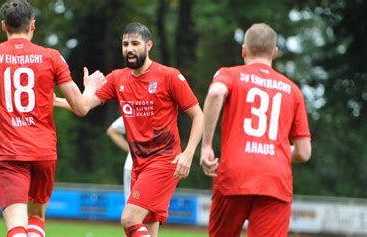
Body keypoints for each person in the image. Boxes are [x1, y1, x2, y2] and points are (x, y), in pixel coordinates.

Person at [0, 1, 105, 237]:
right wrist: (90, 88)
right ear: (33, 25)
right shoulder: (51, 57)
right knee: (36, 217)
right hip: (44, 152)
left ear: (4, 25)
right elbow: (80, 108)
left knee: (16, 224)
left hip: (10, 154)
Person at [83, 22, 204, 237]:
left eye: (135, 43)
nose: (129, 48)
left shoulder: (169, 76)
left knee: (129, 219)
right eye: (125, 44)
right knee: (145, 230)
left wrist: (188, 153)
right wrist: (53, 99)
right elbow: (83, 106)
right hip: (139, 165)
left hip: (164, 161)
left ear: (149, 45)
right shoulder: (118, 78)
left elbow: (198, 116)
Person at [200, 23, 312, 237]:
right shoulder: (293, 90)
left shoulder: (230, 74)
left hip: (234, 174)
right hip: (275, 180)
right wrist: (275, 149)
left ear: (244, 50)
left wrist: (206, 146)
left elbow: (215, 93)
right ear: (275, 53)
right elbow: (304, 152)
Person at [107, 116, 133, 201]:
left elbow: (112, 131)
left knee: (131, 207)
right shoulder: (161, 110)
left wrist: (132, 151)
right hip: (155, 165)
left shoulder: (133, 108)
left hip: (132, 165)